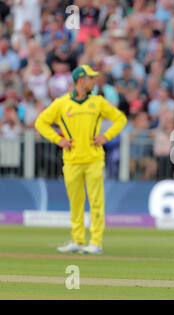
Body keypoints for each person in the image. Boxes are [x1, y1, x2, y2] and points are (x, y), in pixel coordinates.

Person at [34, 64, 127, 254]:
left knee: (96, 202)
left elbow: (120, 119)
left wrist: (106, 137)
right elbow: (40, 122)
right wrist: (58, 140)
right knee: (75, 203)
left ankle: (95, 241)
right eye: (91, 78)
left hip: (94, 159)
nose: (94, 81)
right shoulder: (62, 103)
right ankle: (77, 240)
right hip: (72, 161)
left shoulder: (98, 101)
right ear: (80, 80)